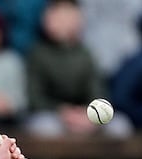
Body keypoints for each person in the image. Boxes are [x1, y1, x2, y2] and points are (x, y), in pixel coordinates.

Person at [24, 0, 132, 137]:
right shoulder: (37, 54)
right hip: (53, 115)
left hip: (86, 114)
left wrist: (89, 113)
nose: (63, 22)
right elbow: (34, 98)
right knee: (47, 127)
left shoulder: (86, 54)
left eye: (69, 15)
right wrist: (62, 111)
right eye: (58, 16)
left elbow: (98, 91)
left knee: (120, 125)